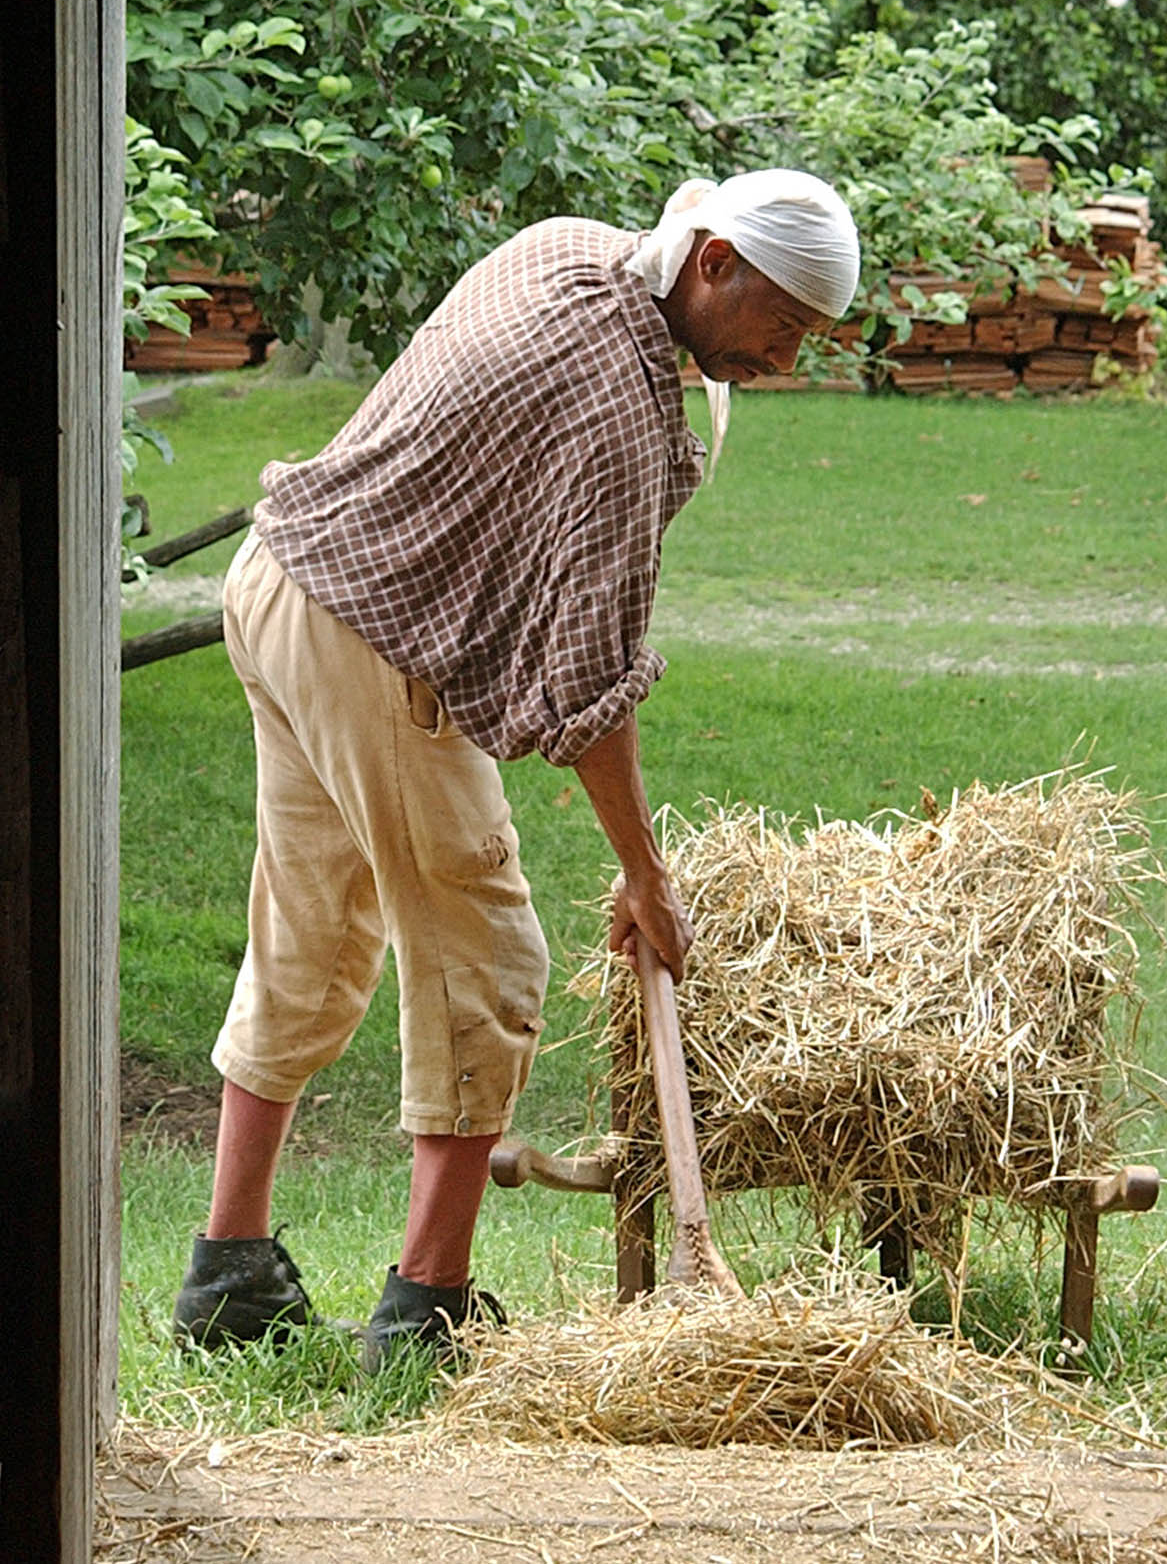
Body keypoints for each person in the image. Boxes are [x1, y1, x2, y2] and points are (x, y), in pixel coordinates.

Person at [172, 169, 861, 1368]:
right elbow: (590, 689)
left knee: (314, 930)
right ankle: (424, 1313)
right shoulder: (621, 417)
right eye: (783, 324)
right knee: (489, 956)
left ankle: (227, 1275)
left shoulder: (569, 248)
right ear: (712, 263)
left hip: (281, 582)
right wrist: (643, 871)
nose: (787, 360)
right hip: (371, 641)